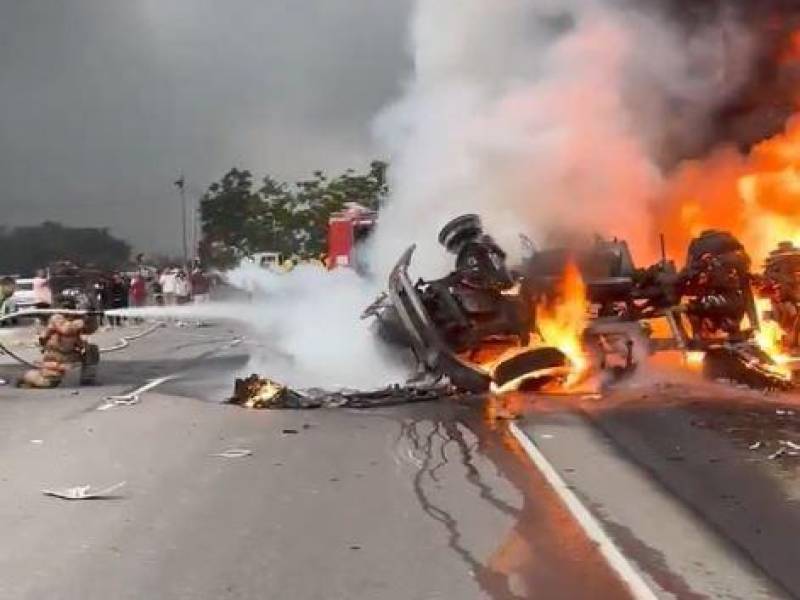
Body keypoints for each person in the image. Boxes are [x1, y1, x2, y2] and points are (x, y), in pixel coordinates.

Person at [18, 294, 100, 388]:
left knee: (92, 349)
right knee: (48, 383)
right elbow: (66, 329)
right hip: (55, 354)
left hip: (71, 353)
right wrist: (81, 322)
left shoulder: (76, 318)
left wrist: (90, 317)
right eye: (66, 306)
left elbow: (90, 329)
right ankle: (27, 377)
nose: (68, 308)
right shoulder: (56, 317)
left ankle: (88, 378)